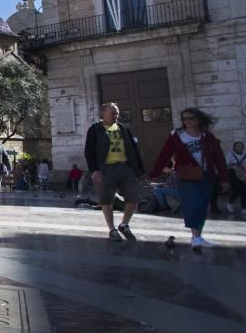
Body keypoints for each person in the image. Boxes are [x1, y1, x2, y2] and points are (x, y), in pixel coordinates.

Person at [149, 107, 228, 249]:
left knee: (202, 206)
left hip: (206, 175)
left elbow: (219, 158)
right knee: (194, 205)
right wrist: (154, 173)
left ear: (198, 119)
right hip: (186, 175)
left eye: (191, 118)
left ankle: (197, 236)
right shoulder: (177, 136)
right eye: (185, 119)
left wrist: (224, 178)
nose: (187, 121)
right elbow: (164, 155)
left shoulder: (207, 136)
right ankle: (196, 237)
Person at [84, 102, 145, 241]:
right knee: (106, 200)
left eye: (117, 113)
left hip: (125, 167)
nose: (115, 116)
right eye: (112, 113)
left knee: (134, 198)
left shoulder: (123, 128)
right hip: (106, 168)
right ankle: (112, 229)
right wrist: (94, 170)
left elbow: (134, 150)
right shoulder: (95, 130)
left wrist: (139, 170)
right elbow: (89, 151)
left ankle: (124, 224)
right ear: (102, 114)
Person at [225, 141, 246, 217]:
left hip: (242, 174)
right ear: (234, 147)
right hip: (232, 173)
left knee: (244, 190)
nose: (239, 148)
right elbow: (226, 165)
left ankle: (244, 207)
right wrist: (234, 164)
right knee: (237, 189)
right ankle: (230, 202)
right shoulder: (230, 154)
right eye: (238, 146)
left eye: (241, 146)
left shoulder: (244, 155)